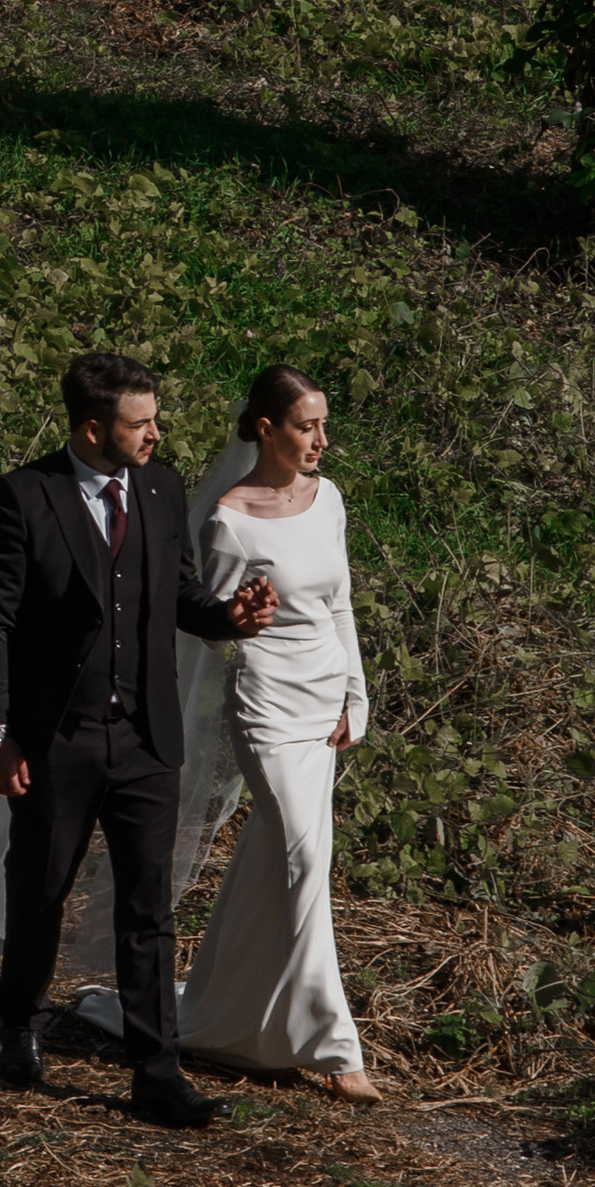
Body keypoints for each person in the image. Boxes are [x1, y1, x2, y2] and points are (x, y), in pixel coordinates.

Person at [0, 349, 277, 1129]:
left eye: (156, 419)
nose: (157, 435)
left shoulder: (163, 490)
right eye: (142, 423)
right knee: (41, 888)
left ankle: (155, 1071)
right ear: (93, 426)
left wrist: (226, 617)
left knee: (149, 907)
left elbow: (176, 591)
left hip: (145, 738)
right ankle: (21, 1024)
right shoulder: (24, 497)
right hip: (55, 737)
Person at [176, 363, 377, 1094]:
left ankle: (221, 1019)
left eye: (323, 424)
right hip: (267, 704)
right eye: (306, 425)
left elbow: (342, 601)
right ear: (266, 428)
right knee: (302, 858)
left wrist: (357, 692)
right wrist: (241, 612)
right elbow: (217, 625)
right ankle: (335, 1046)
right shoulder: (227, 517)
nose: (321, 438)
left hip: (325, 696)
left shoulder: (328, 499)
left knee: (276, 858)